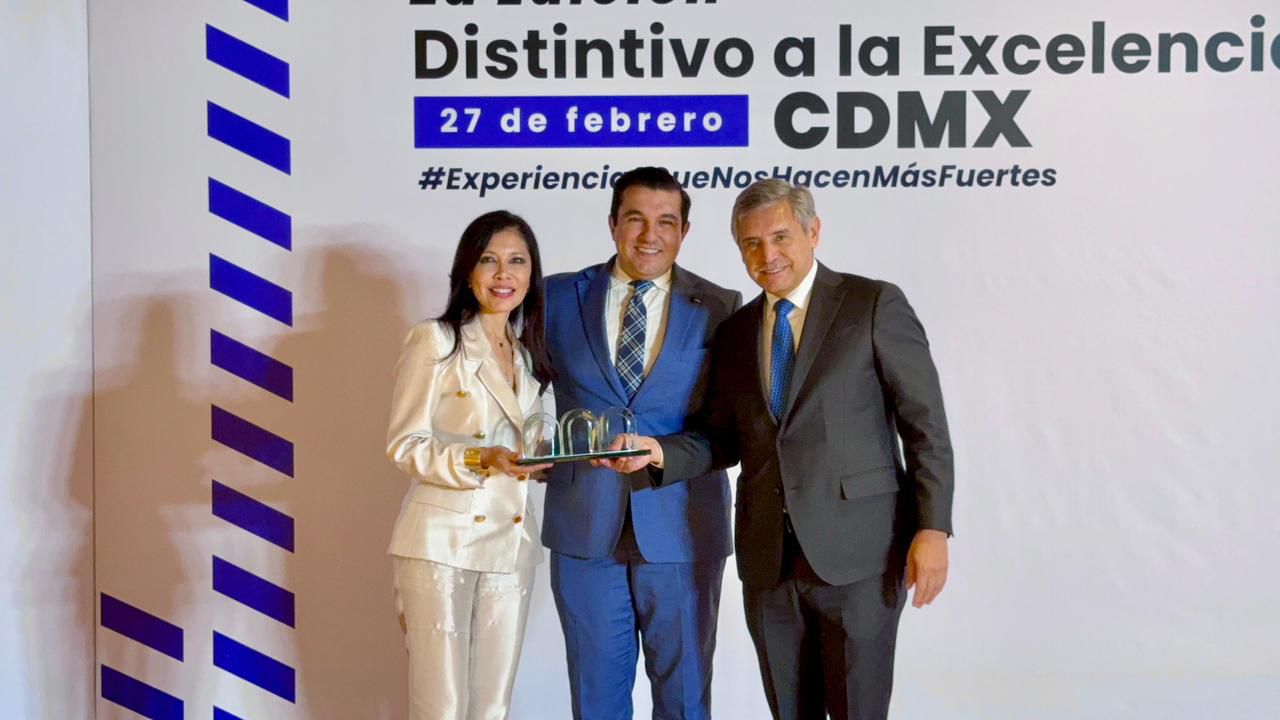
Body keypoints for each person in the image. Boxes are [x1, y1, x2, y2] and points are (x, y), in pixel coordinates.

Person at [605, 179, 954, 720]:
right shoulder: (736, 330)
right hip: (768, 561)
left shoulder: (872, 304)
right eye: (751, 243)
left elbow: (924, 424)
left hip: (861, 556)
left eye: (780, 237)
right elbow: (723, 438)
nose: (767, 255)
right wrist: (659, 454)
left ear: (813, 232)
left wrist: (932, 528)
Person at [541, 167, 742, 719]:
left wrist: (663, 454)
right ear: (612, 224)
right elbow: (509, 388)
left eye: (666, 222)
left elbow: (729, 435)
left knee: (684, 702)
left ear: (684, 231)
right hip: (584, 528)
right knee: (596, 703)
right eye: (635, 219)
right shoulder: (555, 297)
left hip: (682, 528)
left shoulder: (720, 306)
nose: (650, 236)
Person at [385, 210, 555, 720]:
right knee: (442, 706)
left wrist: (547, 459)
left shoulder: (527, 356)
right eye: (489, 260)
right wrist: (481, 458)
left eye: (517, 261)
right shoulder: (436, 340)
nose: (504, 275)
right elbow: (405, 444)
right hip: (442, 544)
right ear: (467, 270)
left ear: (532, 274)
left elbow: (525, 443)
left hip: (512, 545)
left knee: (492, 705)